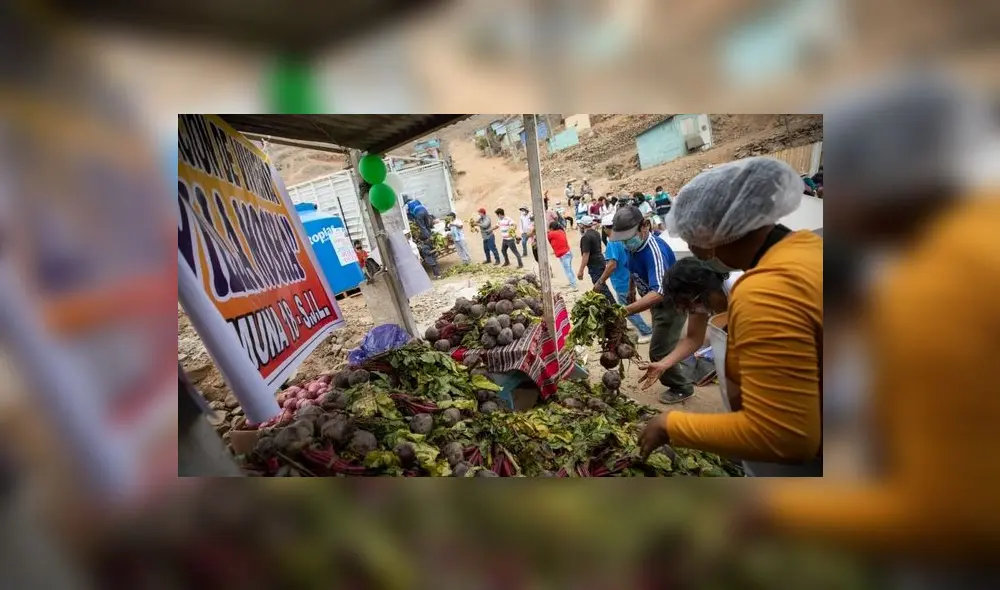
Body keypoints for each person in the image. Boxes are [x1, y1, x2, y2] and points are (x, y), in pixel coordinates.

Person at [637, 157, 822, 474]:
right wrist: (665, 364)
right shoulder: (808, 247)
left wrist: (672, 425)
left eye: (691, 237)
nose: (692, 247)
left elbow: (787, 437)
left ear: (713, 232)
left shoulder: (763, 291)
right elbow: (695, 337)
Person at [608, 207, 688, 403]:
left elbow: (659, 292)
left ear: (644, 226)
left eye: (629, 238)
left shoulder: (654, 251)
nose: (626, 243)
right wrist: (631, 290)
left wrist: (624, 311)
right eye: (623, 239)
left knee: (658, 351)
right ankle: (678, 367)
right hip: (657, 306)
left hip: (671, 305)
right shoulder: (633, 248)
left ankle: (681, 387)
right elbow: (633, 270)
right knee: (666, 343)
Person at [638, 259, 743, 401]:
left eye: (690, 305)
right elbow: (693, 339)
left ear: (703, 292)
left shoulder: (742, 292)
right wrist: (663, 364)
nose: (692, 310)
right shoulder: (702, 299)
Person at [593, 214, 653, 342]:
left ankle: (646, 331)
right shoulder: (624, 238)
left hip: (621, 281)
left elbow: (612, 265)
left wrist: (600, 281)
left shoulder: (612, 242)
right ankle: (645, 328)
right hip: (630, 277)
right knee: (631, 305)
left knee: (626, 309)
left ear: (606, 228)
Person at [576, 216, 615, 304]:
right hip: (600, 261)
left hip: (594, 265)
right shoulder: (596, 233)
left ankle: (613, 306)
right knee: (602, 286)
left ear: (582, 225)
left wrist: (581, 271)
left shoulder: (585, 237)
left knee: (601, 287)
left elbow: (586, 255)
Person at [546, 221, 577, 290]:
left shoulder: (551, 234)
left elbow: (549, 239)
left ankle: (574, 286)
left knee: (568, 271)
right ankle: (572, 282)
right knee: (569, 270)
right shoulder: (561, 231)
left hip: (564, 255)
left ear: (551, 228)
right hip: (568, 253)